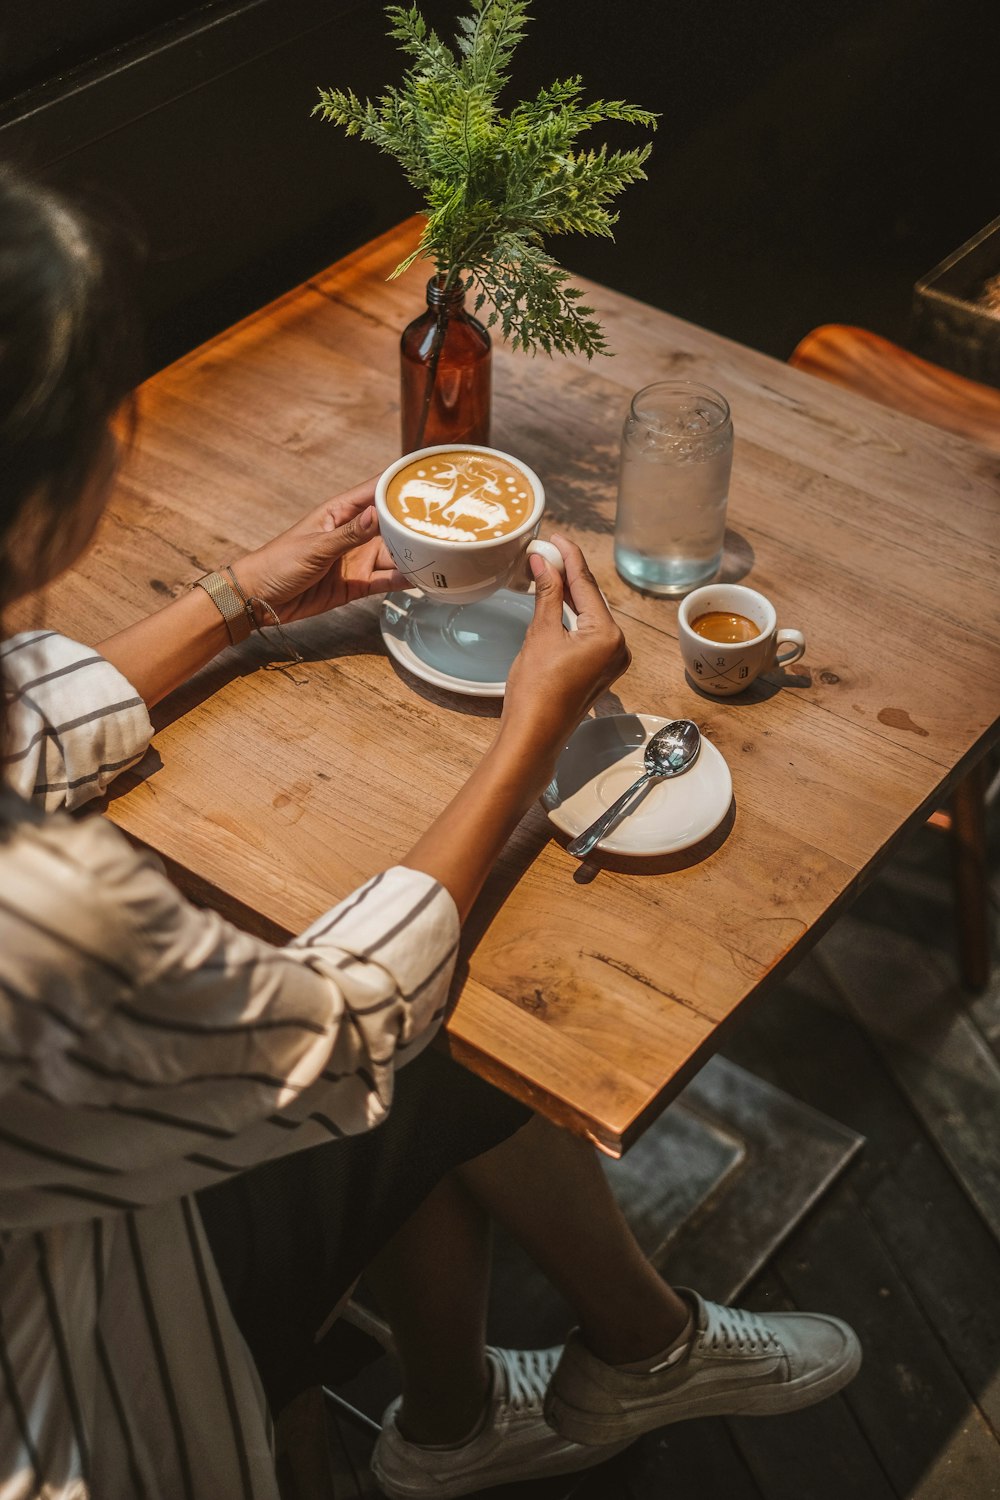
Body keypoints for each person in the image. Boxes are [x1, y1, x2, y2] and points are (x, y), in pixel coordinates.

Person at [0, 167, 861, 1500]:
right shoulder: (43, 921)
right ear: (50, 491)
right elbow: (341, 1026)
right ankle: (641, 1347)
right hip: (100, 1362)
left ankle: (459, 1424)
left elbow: (22, 722)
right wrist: (531, 737)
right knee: (458, 1053)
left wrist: (239, 598)